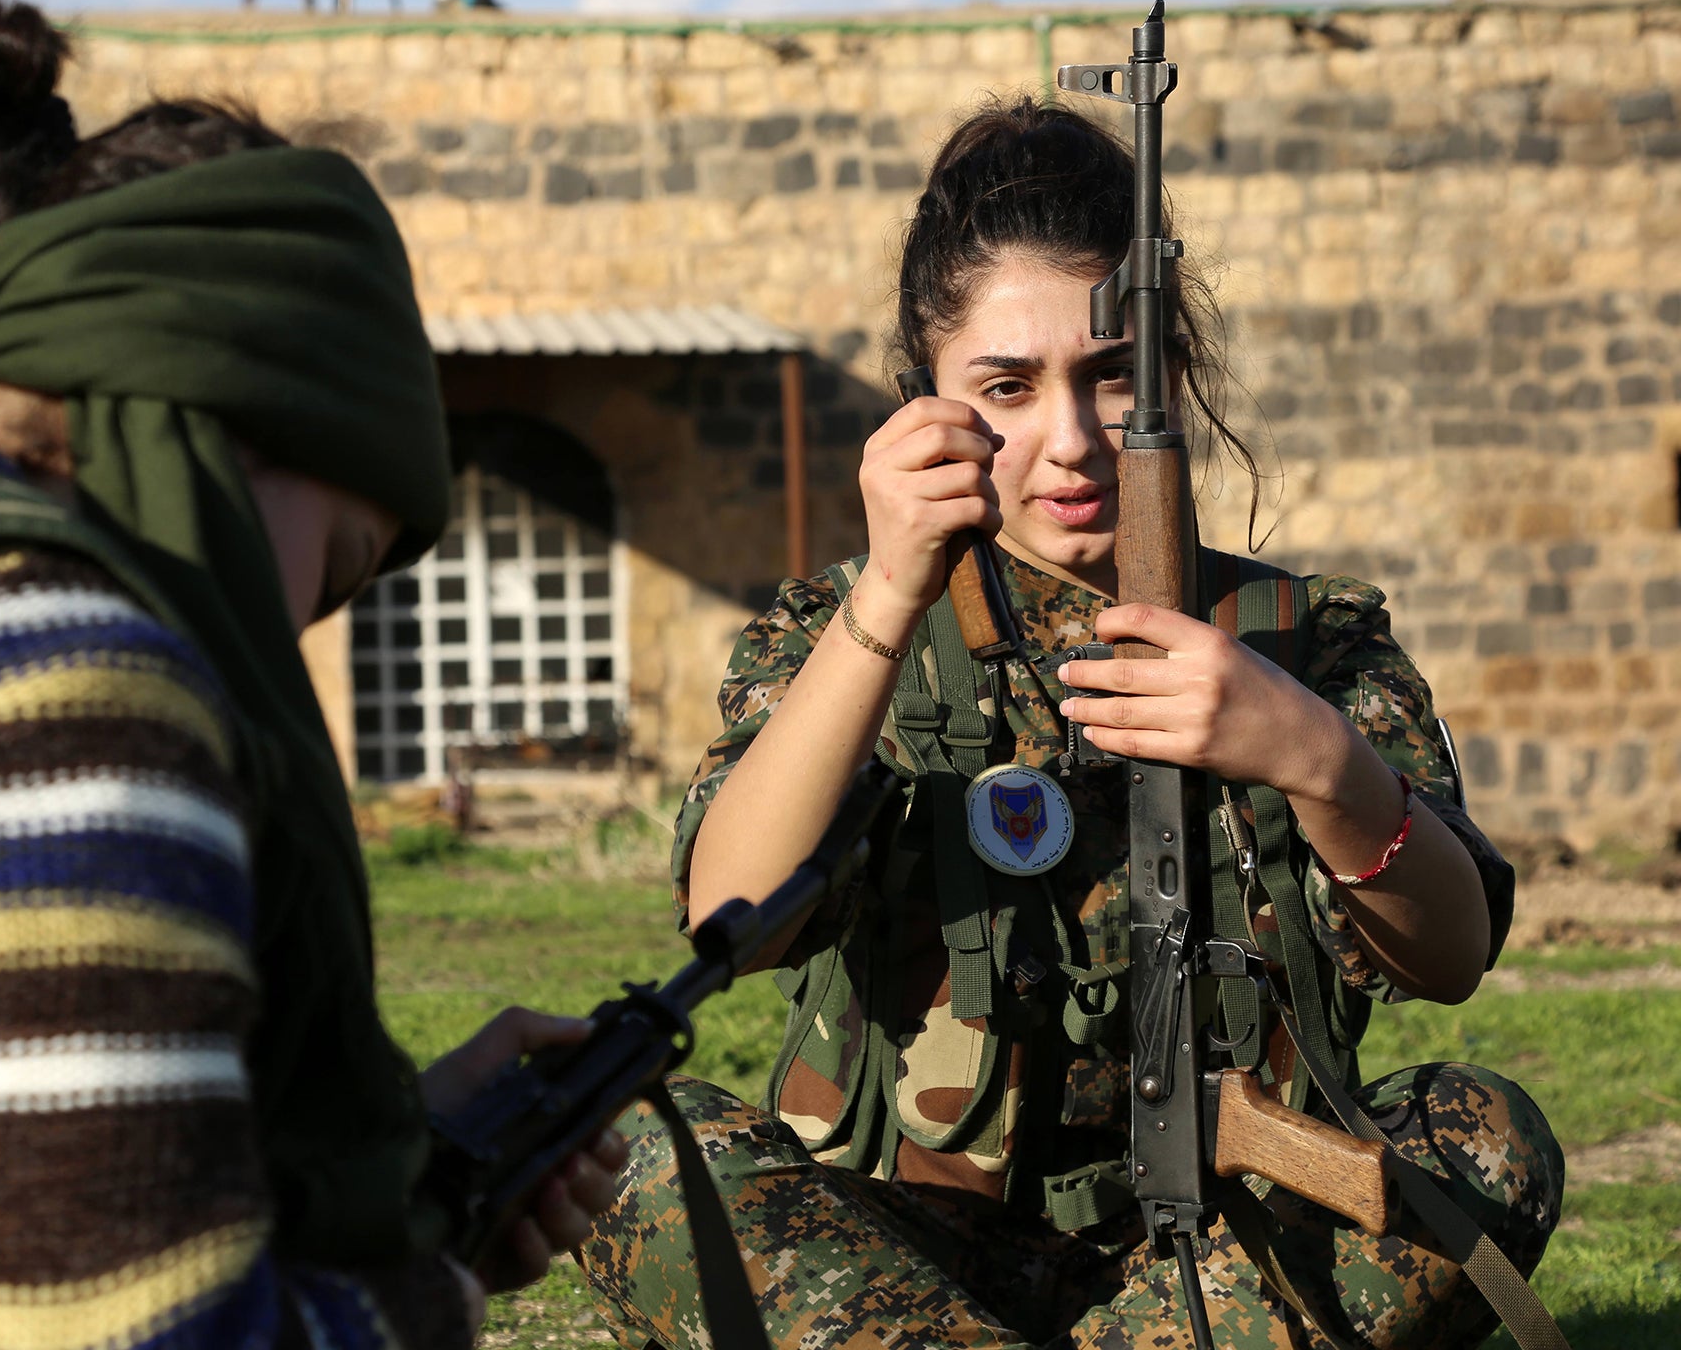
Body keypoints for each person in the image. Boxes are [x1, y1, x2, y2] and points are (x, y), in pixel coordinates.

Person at [0, 0, 620, 1349]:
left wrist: (404, 1152)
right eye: (328, 572)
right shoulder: (21, 682)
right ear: (229, 430)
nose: (281, 651)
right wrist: (419, 1295)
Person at [578, 99, 1563, 1349]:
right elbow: (729, 911)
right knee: (625, 1145)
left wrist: (1313, 756)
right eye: (1005, 387)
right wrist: (888, 595)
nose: (1071, 441)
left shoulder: (1303, 639)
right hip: (909, 1261)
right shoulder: (842, 631)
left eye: (1113, 379)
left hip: (1228, 1251)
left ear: (1174, 378)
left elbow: (1451, 953)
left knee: (1483, 1137)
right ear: (921, 404)